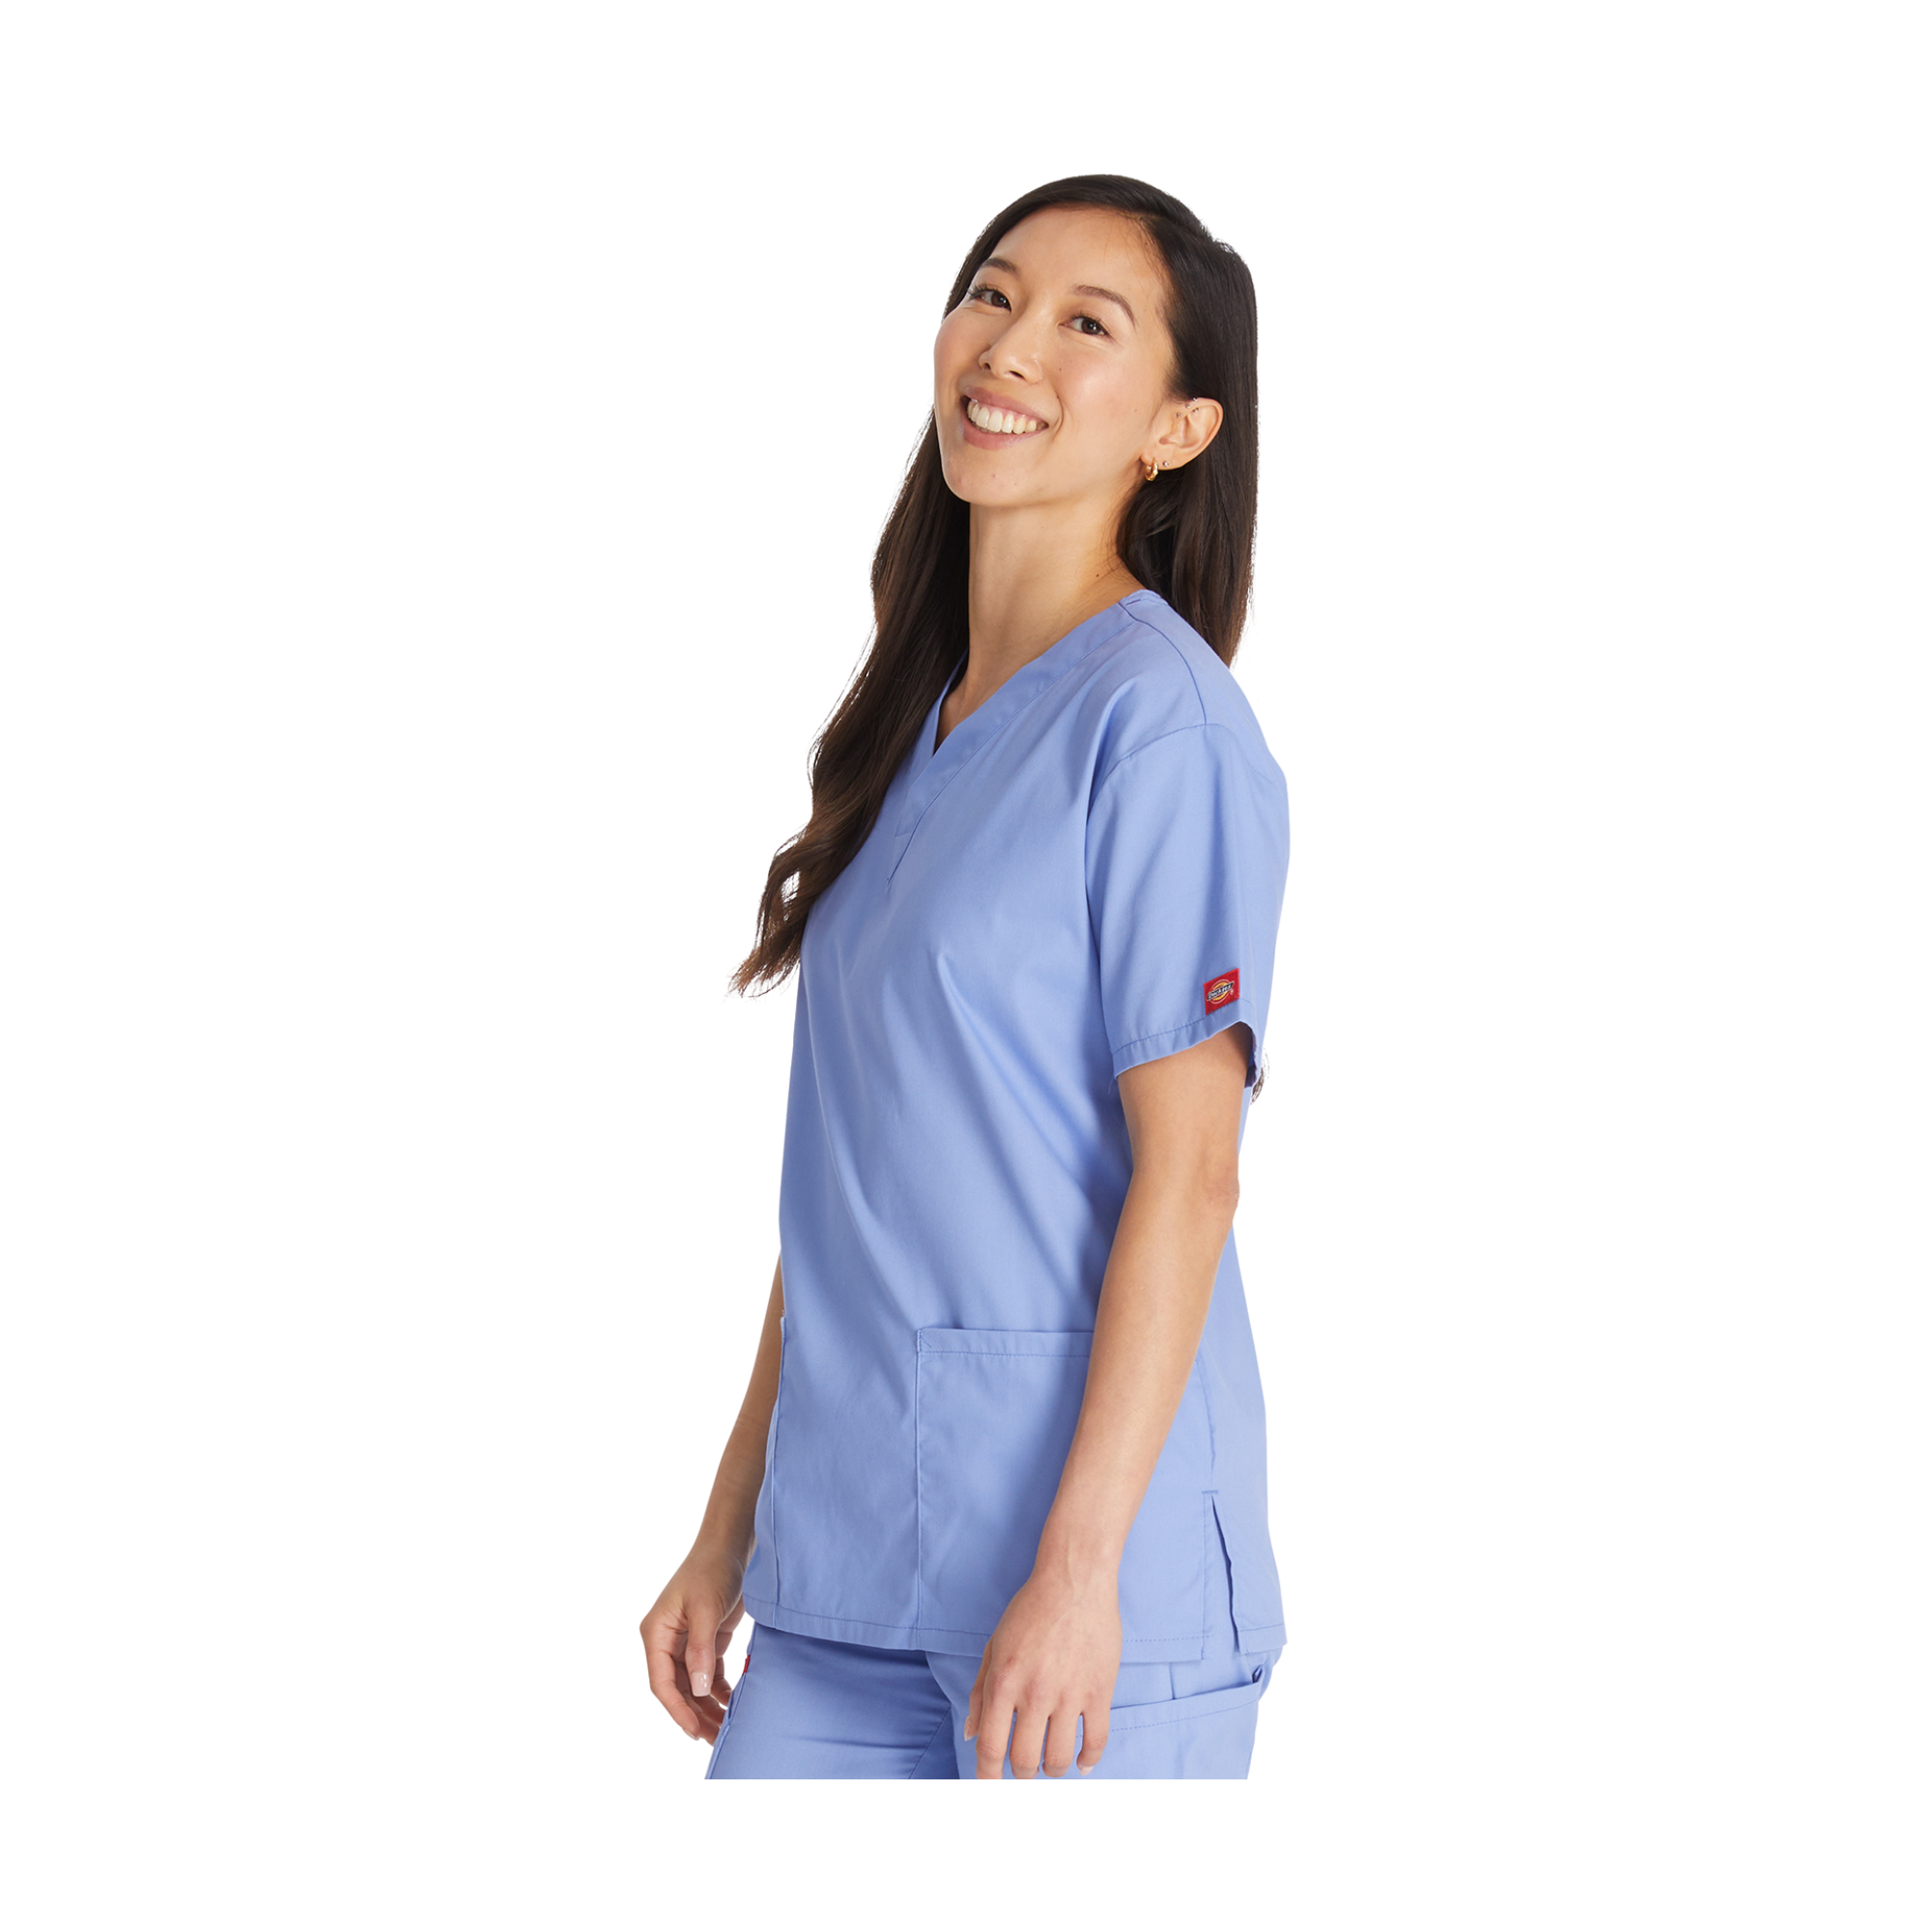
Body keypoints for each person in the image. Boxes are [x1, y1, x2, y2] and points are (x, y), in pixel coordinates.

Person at [640, 175, 1291, 1779]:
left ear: (1178, 431)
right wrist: (731, 1523)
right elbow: (855, 1194)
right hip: (842, 1574)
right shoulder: (909, 730)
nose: (1009, 345)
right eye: (992, 293)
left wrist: (1077, 1572)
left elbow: (1193, 1179)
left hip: (1089, 1601)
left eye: (1087, 323)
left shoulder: (1161, 728)